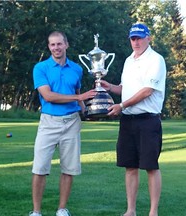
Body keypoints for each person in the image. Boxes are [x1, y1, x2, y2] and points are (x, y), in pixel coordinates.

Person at [101, 23, 166, 216]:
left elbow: (147, 90)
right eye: (133, 38)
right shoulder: (129, 60)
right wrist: (110, 87)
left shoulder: (156, 60)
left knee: (151, 166)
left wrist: (121, 106)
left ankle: (153, 212)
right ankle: (131, 210)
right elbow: (125, 88)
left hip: (148, 121)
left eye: (139, 38)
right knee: (130, 166)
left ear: (149, 38)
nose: (136, 42)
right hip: (128, 121)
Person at [29, 31, 97, 216]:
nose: (56, 48)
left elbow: (78, 94)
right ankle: (36, 211)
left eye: (59, 44)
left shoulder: (77, 69)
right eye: (52, 45)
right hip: (48, 122)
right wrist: (78, 97)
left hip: (72, 123)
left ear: (66, 44)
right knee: (40, 168)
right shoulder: (40, 68)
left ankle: (62, 209)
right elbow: (48, 96)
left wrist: (88, 111)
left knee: (69, 168)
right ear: (49, 47)